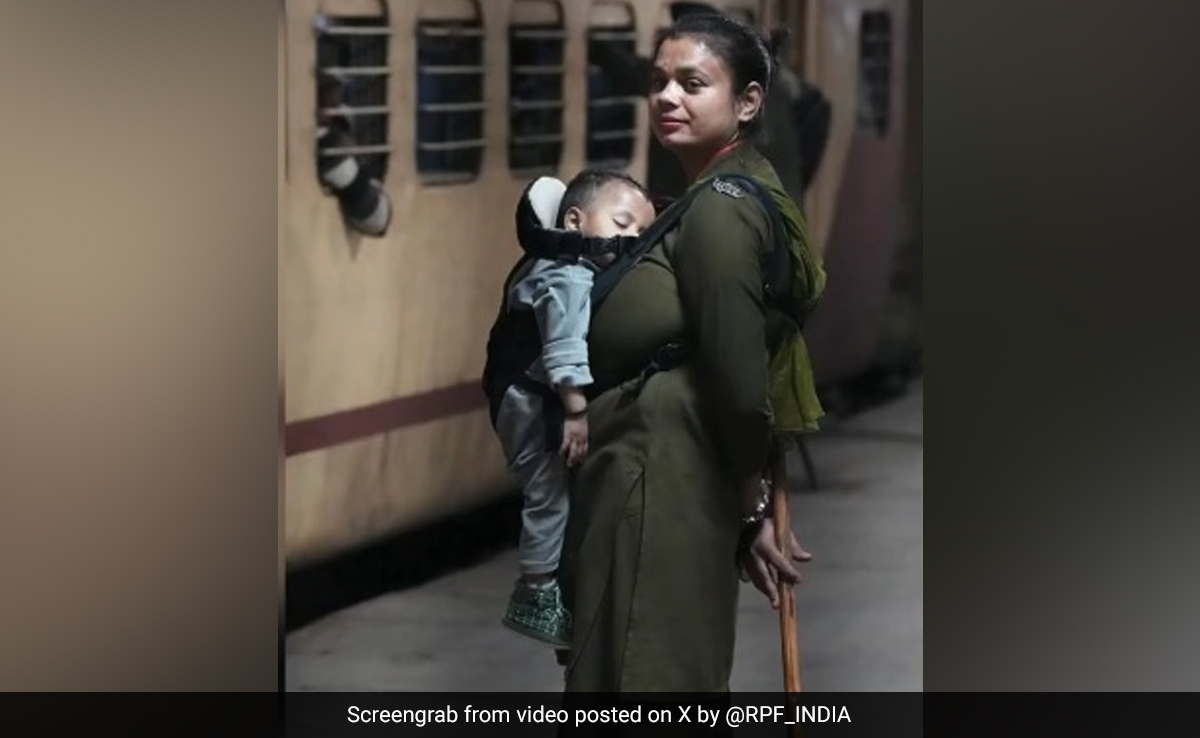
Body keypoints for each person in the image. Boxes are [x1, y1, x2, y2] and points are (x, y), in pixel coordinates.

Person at [552, 12, 827, 696]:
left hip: (662, 481)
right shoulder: (714, 191)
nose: (667, 97)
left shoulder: (720, 209)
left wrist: (750, 506)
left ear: (748, 102)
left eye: (693, 83)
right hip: (657, 476)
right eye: (659, 82)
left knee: (649, 676)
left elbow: (737, 378)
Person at [488, 169, 656, 649]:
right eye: (621, 222)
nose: (630, 238)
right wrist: (576, 413)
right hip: (533, 401)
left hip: (519, 393)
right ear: (575, 220)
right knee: (549, 491)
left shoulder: (547, 258)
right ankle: (536, 592)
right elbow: (563, 349)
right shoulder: (568, 275)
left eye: (641, 232)